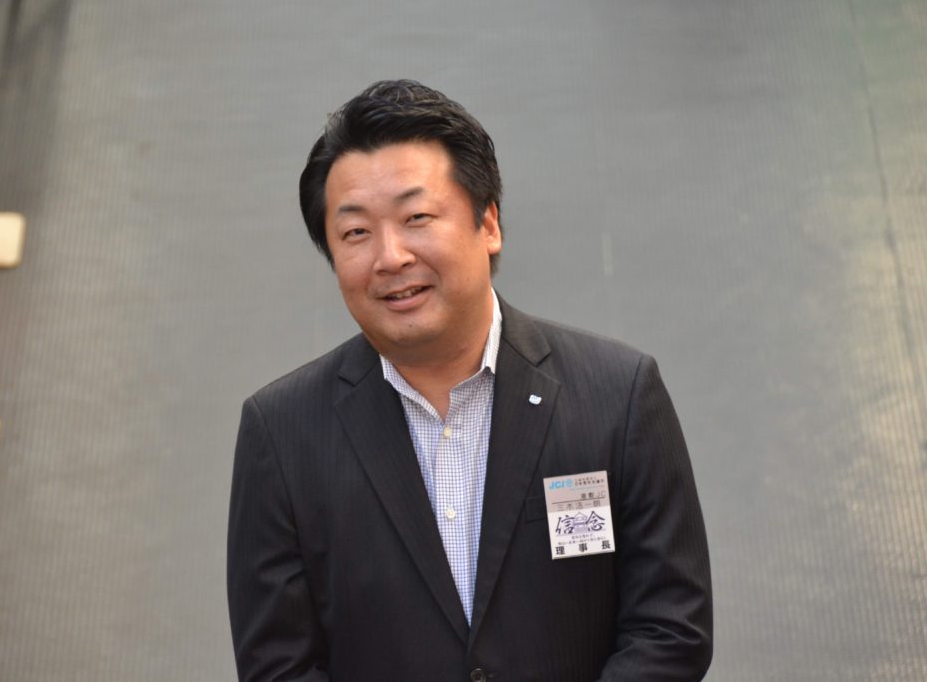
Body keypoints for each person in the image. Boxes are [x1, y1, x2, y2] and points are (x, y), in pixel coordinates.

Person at [227, 79, 713, 681]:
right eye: (356, 232)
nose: (390, 256)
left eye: (416, 217)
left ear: (488, 223)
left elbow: (671, 627)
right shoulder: (282, 432)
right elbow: (277, 665)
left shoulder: (618, 395)